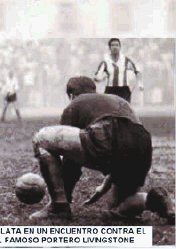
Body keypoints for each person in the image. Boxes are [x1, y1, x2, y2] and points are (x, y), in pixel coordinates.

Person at [30, 76, 174, 224]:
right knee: (118, 206)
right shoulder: (118, 100)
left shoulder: (76, 103)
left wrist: (63, 196)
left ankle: (58, 208)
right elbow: (126, 143)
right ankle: (154, 199)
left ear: (71, 95)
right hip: (143, 145)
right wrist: (105, 186)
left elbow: (71, 162)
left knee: (42, 139)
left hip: (108, 135)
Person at [94, 38, 143, 103]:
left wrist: (140, 84)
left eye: (117, 45)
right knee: (110, 110)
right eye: (112, 45)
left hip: (124, 90)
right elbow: (97, 77)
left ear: (120, 47)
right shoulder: (105, 62)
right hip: (110, 90)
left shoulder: (126, 60)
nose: (115, 47)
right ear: (109, 48)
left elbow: (137, 71)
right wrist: (100, 78)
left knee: (124, 111)